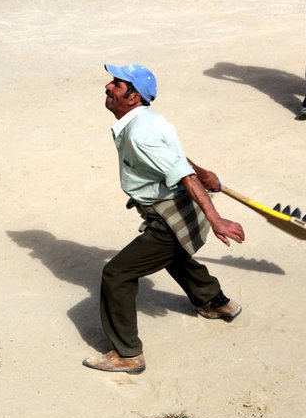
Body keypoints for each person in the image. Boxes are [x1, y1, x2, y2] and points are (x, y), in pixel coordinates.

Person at [82, 63, 245, 375]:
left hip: (171, 220)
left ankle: (127, 354)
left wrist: (217, 218)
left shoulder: (140, 132)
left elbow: (180, 172)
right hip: (184, 212)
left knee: (117, 275)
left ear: (133, 98)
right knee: (173, 257)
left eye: (117, 84)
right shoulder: (149, 120)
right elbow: (176, 158)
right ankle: (215, 301)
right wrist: (205, 172)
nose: (108, 86)